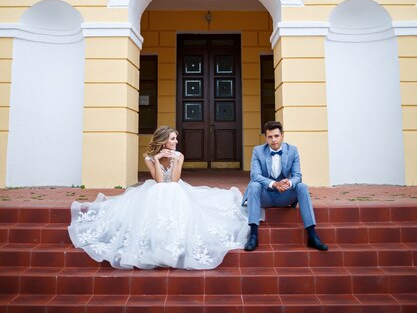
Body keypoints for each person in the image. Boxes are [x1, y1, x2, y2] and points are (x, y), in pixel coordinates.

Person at [68, 125, 249, 270]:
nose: (176, 141)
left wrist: (175, 161)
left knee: (173, 192)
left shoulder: (179, 156)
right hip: (156, 190)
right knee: (159, 192)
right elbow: (159, 181)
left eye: (175, 138)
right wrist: (156, 159)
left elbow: (175, 180)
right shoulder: (149, 158)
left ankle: (174, 245)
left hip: (177, 190)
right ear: (163, 141)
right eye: (173, 139)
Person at [242, 120, 328, 252]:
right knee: (254, 185)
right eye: (270, 137)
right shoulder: (258, 151)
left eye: (276, 136)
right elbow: (255, 175)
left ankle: (312, 235)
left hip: (284, 195)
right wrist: (275, 184)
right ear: (265, 138)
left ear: (282, 135)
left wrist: (288, 183)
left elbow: (297, 175)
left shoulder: (292, 150)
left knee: (302, 187)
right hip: (265, 196)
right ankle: (253, 235)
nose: (273, 140)